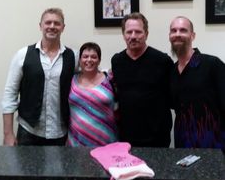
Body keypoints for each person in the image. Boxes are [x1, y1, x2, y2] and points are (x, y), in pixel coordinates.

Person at [2, 8, 75, 146]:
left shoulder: (73, 57)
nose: (52, 26)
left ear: (63, 28)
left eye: (57, 23)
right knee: (25, 168)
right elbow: (9, 94)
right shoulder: (22, 55)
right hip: (28, 131)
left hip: (60, 133)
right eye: (48, 22)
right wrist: (8, 134)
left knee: (60, 169)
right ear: (40, 26)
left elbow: (90, 74)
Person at [111, 12, 173, 147]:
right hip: (126, 136)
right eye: (129, 32)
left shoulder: (162, 61)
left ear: (146, 34)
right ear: (123, 35)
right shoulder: (117, 61)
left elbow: (172, 96)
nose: (133, 36)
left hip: (157, 136)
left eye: (138, 32)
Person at [169, 16, 225, 149]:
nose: (177, 34)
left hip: (213, 144)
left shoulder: (212, 64)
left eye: (183, 30)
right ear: (169, 35)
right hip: (182, 143)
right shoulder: (172, 71)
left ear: (192, 35)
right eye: (174, 30)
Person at [68, 42, 118, 146]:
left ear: (99, 60)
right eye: (85, 56)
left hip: (106, 140)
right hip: (76, 141)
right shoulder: (71, 80)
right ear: (80, 60)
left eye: (94, 57)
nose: (89, 60)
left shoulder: (110, 79)